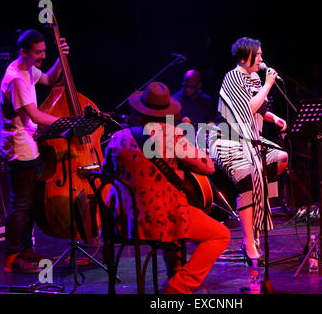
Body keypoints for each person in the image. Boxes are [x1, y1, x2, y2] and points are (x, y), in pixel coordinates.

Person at [102, 82, 230, 294]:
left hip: (126, 221)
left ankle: (175, 272)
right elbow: (207, 166)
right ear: (166, 112)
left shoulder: (118, 137)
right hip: (164, 219)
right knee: (221, 234)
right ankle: (179, 287)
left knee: (171, 211)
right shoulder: (171, 136)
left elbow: (107, 175)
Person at [207, 37, 288, 265]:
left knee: (281, 157)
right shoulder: (233, 77)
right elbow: (246, 109)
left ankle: (257, 204)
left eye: (262, 54)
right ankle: (249, 241)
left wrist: (273, 117)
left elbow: (257, 106)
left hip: (251, 139)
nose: (262, 58)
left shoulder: (252, 77)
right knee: (248, 176)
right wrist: (268, 84)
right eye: (258, 54)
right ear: (244, 58)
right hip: (227, 139)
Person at [0, 29, 69, 273]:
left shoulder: (27, 68)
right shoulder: (16, 77)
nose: (42, 56)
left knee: (26, 203)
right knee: (20, 204)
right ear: (24, 52)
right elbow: (35, 115)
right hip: (19, 147)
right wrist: (65, 123)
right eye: (38, 53)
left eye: (44, 51)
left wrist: (61, 58)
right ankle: (11, 257)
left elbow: (49, 79)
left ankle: (25, 250)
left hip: (28, 143)